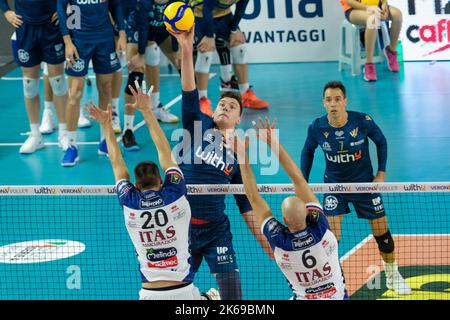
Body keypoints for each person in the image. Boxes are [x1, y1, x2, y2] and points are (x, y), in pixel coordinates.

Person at [84, 81, 219, 300]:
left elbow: (117, 163)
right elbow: (164, 151)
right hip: (185, 291)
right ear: (161, 179)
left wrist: (106, 125)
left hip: (149, 294)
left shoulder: (129, 200)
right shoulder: (175, 191)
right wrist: (147, 111)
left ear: (136, 186)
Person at [170, 25, 272, 300]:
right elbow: (189, 89)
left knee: (233, 300)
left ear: (239, 119)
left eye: (232, 107)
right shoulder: (197, 125)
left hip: (216, 232)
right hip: (182, 228)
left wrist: (272, 248)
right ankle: (204, 299)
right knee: (174, 296)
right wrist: (186, 48)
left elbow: (247, 207)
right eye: (221, 104)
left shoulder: (239, 156)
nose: (225, 107)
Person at [300, 81, 411, 295]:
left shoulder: (362, 121)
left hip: (364, 185)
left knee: (382, 235)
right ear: (324, 103)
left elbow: (381, 142)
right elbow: (307, 152)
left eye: (337, 99)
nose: (333, 103)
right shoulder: (317, 127)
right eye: (329, 99)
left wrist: (382, 172)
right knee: (330, 241)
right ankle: (334, 283)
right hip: (334, 187)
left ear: (345, 101)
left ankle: (393, 276)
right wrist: (303, 182)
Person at [231, 117, 348, 300]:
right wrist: (273, 143)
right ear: (310, 212)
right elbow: (298, 180)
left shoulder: (279, 241)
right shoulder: (322, 229)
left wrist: (242, 157)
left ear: (284, 221)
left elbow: (252, 197)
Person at [57, 0, 126, 166]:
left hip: (105, 38)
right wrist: (67, 41)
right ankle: (71, 145)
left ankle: (105, 141)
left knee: (106, 89)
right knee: (75, 92)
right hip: (79, 39)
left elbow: (116, 5)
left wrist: (122, 34)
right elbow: (60, 6)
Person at [1, 0, 68, 154]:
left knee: (58, 81)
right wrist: (6, 11)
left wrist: (66, 6)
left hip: (51, 26)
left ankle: (64, 134)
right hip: (24, 27)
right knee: (29, 83)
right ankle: (35, 135)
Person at [189, 0, 268, 116]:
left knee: (239, 47)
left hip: (224, 15)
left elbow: (241, 8)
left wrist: (234, 30)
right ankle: (202, 100)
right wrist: (209, 37)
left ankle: (245, 95)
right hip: (201, 14)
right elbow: (207, 9)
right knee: (205, 52)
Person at [124, 0, 181, 151]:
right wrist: (141, 54)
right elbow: (143, 27)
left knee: (183, 65)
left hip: (160, 30)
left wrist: (176, 51)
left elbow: (177, 24)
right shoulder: (144, 3)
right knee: (135, 74)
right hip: (137, 27)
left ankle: (156, 108)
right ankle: (127, 130)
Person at [340, 0, 403, 81]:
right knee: (373, 19)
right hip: (353, 9)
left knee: (397, 14)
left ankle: (391, 51)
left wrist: (384, 5)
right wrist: (368, 8)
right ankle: (369, 64)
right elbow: (349, 1)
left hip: (376, 8)